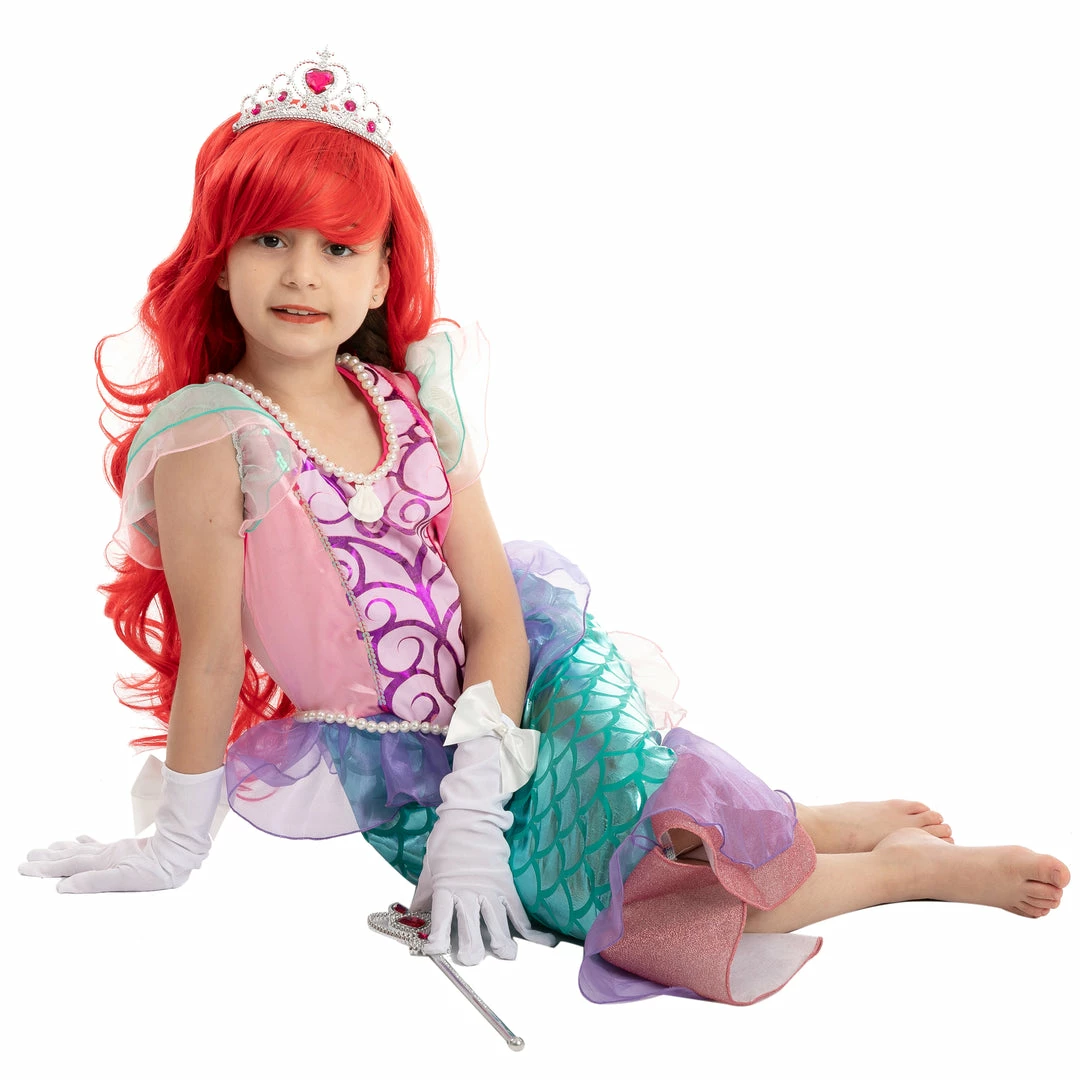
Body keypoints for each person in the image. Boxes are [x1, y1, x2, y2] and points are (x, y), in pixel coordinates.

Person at [18, 50, 1069, 1007]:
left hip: (527, 691)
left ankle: (895, 869)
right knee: (624, 902)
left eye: (338, 247)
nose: (302, 273)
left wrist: (480, 807)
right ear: (219, 256)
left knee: (650, 856)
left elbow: (492, 613)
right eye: (269, 239)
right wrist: (175, 844)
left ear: (379, 274)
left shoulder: (414, 403)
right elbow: (214, 656)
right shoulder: (212, 437)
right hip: (402, 769)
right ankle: (834, 838)